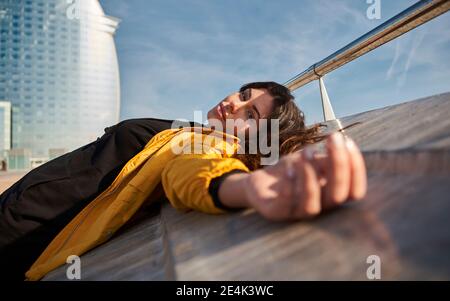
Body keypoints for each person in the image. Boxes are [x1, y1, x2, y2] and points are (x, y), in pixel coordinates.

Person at [0, 82, 366, 280]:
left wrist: (247, 189)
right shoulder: (194, 129)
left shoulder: (212, 143)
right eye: (243, 94)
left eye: (250, 112)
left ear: (258, 137)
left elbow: (194, 169)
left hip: (24, 234)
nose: (233, 105)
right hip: (19, 211)